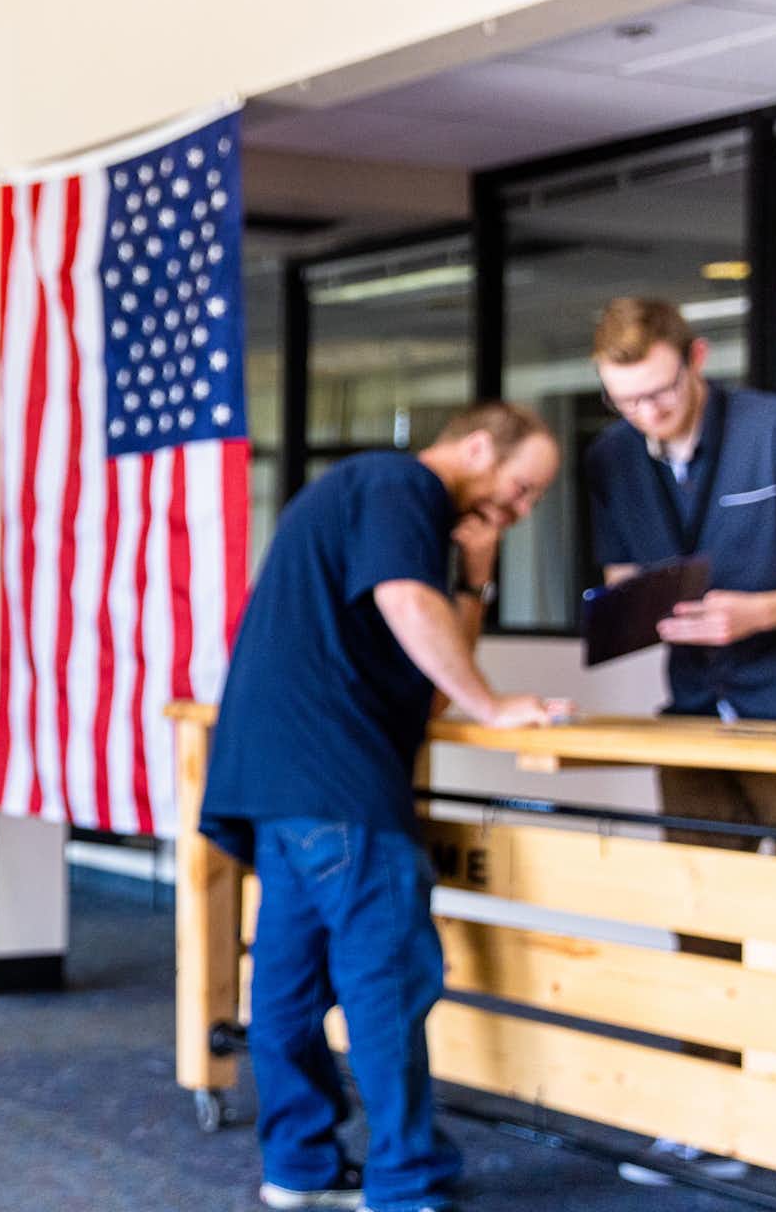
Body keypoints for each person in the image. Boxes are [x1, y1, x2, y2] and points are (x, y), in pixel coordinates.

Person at [200, 403, 569, 1212]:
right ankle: (405, 1182)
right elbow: (408, 602)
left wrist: (474, 573)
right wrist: (496, 704)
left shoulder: (371, 499)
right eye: (521, 486)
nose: (520, 508)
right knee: (387, 982)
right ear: (478, 445)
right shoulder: (399, 483)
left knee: (288, 986)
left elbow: (430, 689)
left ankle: (298, 1167)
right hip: (339, 781)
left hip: (274, 783)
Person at [583, 297, 776, 1209]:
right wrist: (639, 605)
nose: (648, 415)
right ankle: (708, 1115)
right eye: (626, 401)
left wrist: (756, 610)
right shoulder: (610, 458)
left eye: (662, 393)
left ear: (696, 358)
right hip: (695, 705)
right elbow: (623, 582)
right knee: (700, 916)